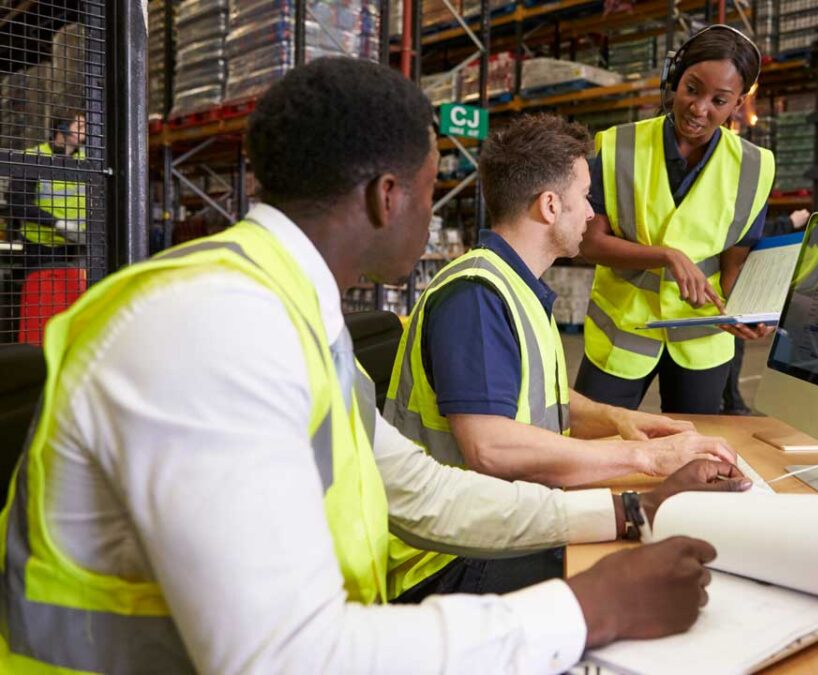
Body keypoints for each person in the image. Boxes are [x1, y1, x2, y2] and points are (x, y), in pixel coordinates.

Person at [0, 58, 753, 673]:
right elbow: (282, 657)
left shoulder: (294, 307)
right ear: (386, 197)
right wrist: (590, 608)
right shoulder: (214, 326)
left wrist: (629, 511)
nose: (438, 217)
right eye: (431, 193)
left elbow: (420, 491)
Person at [383, 113, 739, 599]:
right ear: (550, 206)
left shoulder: (513, 285)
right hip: (450, 559)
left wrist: (618, 420)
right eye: (585, 197)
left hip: (499, 526)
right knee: (667, 562)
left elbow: (537, 397)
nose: (592, 213)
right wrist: (645, 457)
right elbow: (491, 447)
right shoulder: (475, 296)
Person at [576, 25, 776, 414]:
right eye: (692, 89)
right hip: (623, 330)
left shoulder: (755, 167)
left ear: (737, 105)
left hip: (701, 338)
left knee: (694, 454)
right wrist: (665, 256)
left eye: (719, 100)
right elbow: (589, 243)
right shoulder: (617, 145)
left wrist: (745, 311)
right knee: (590, 438)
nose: (700, 108)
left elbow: (734, 261)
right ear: (675, 80)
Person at [722, 207, 813, 414]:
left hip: (730, 292)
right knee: (732, 345)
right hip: (723, 295)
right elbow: (750, 233)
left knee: (733, 347)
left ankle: (732, 402)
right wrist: (788, 223)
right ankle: (732, 404)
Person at [6, 111, 88, 267]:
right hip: (40, 247)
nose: (85, 131)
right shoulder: (33, 157)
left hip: (78, 246)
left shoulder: (88, 159)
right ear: (62, 129)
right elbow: (17, 202)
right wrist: (56, 223)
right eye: (80, 126)